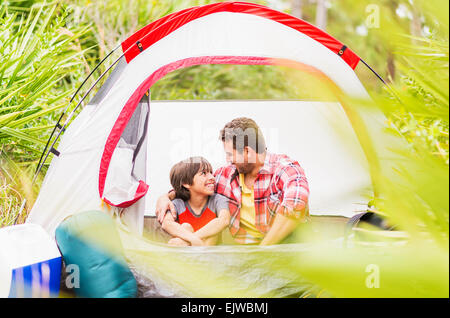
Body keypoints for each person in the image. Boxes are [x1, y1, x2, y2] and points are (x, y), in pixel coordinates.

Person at [157, 117, 309, 245]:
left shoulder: (285, 169)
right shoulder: (226, 175)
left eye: (230, 154)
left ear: (248, 151)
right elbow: (196, 187)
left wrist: (262, 253)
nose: (228, 160)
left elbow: (295, 204)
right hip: (245, 255)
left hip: (286, 250)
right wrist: (165, 198)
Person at [161, 156, 230, 246]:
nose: (212, 177)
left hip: (210, 254)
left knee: (212, 232)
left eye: (211, 173)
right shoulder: (178, 203)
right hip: (186, 255)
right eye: (204, 173)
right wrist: (192, 238)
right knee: (186, 226)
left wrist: (194, 238)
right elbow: (166, 224)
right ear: (186, 183)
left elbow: (224, 220)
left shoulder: (218, 200)